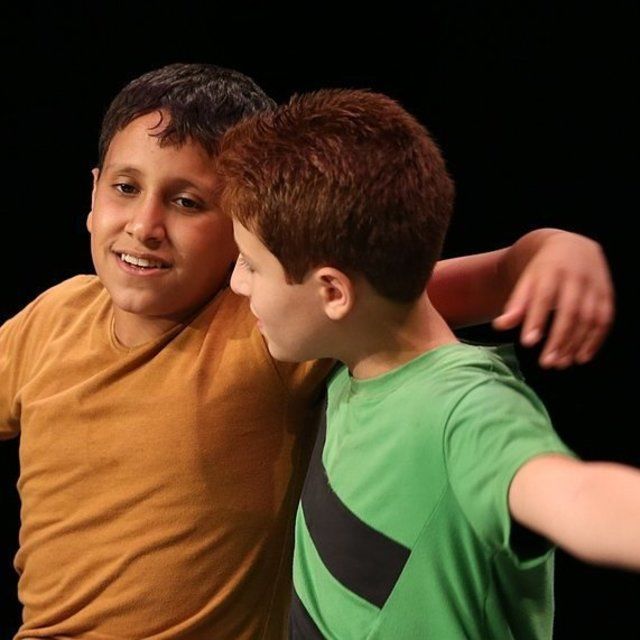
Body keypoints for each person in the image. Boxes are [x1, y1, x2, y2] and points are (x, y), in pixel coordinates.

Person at [0, 63, 615, 640]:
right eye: (125, 187)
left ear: (242, 224)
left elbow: (409, 292)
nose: (143, 225)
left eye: (187, 202)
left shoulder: (268, 323)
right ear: (93, 193)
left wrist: (551, 247)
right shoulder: (51, 319)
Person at [217, 87, 639, 639]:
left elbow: (580, 497)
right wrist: (547, 245)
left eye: (251, 264)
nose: (237, 282)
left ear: (333, 292)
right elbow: (497, 275)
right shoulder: (362, 340)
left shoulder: (463, 410)